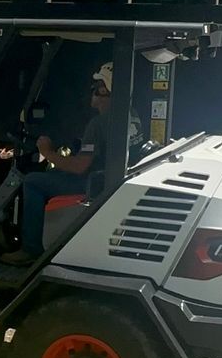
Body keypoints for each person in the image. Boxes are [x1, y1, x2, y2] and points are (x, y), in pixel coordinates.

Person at [11, 63, 142, 261]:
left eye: (95, 86)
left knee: (32, 182)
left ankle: (31, 249)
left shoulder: (98, 123)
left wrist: (47, 152)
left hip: (93, 182)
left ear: (104, 90)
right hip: (107, 177)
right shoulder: (131, 115)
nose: (92, 91)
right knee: (51, 175)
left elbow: (80, 166)